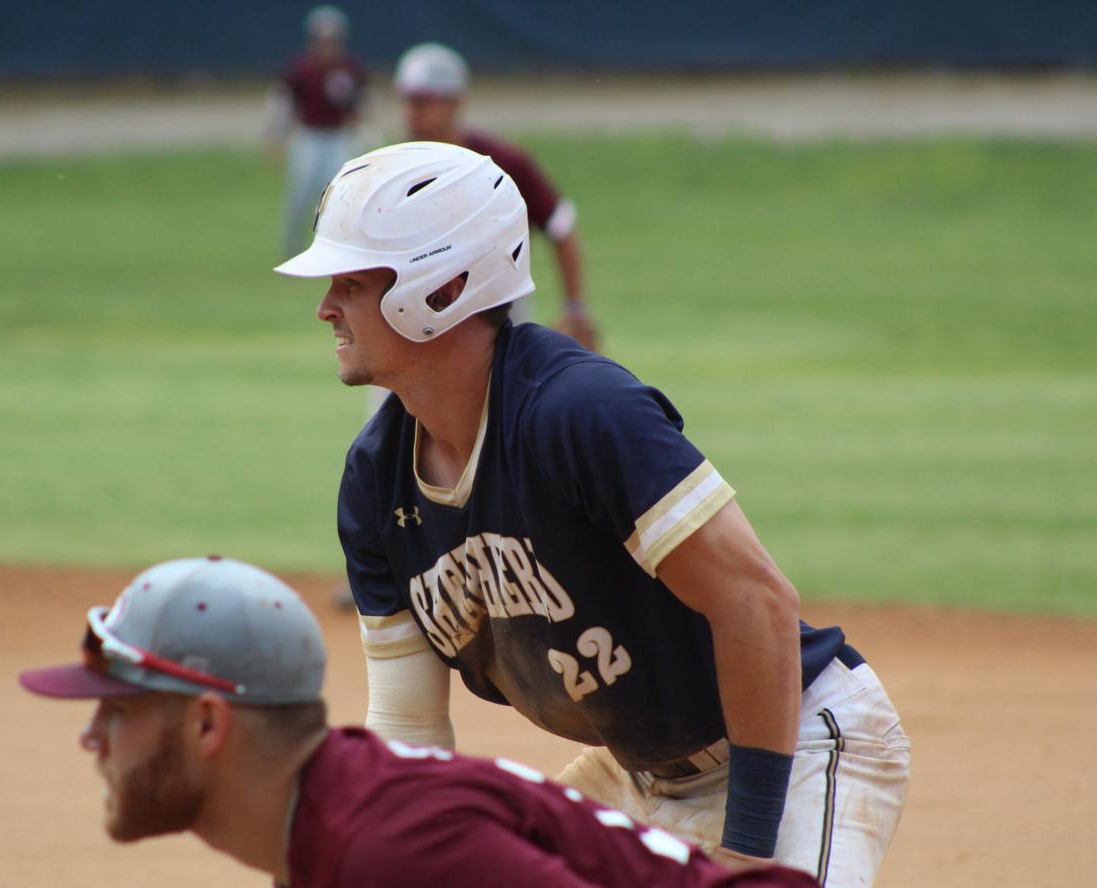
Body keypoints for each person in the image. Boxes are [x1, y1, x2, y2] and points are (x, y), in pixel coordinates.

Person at [273, 142, 911, 887]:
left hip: (789, 747)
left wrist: (745, 847)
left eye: (349, 283)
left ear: (439, 288)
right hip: (634, 776)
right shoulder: (376, 483)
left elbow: (756, 602)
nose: (324, 308)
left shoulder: (578, 413)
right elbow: (409, 729)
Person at [19, 555, 819, 888]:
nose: (92, 737)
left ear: (205, 725)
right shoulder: (332, 821)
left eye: (119, 711)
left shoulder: (396, 846)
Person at [393, 42, 597, 350]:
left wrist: (574, 308)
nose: (414, 111)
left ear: (455, 102)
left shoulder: (501, 162)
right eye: (409, 99)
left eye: (426, 101)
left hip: (495, 303)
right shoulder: (391, 169)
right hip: (411, 305)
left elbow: (561, 225)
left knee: (500, 392)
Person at [263, 6, 367, 258]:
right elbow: (283, 105)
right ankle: (292, 247)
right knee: (300, 193)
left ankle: (339, 247)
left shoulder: (350, 69)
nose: (327, 48)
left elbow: (362, 105)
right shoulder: (301, 71)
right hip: (309, 137)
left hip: (338, 137)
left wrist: (363, 135)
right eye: (322, 41)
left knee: (341, 195)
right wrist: (276, 138)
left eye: (332, 42)